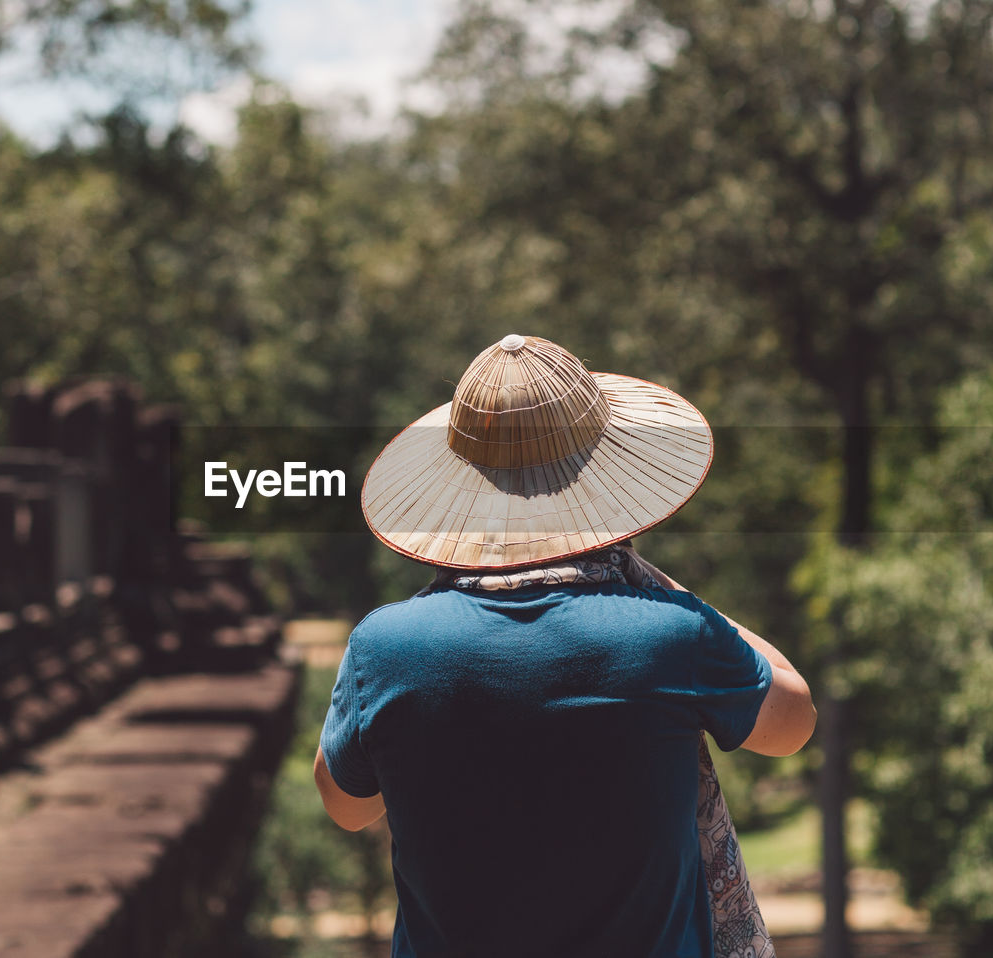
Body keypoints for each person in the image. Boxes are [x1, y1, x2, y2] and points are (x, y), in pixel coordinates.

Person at [314, 334, 815, 958]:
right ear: (604, 485)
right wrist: (661, 584)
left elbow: (346, 806)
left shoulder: (384, 649)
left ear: (461, 497)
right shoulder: (670, 635)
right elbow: (793, 719)